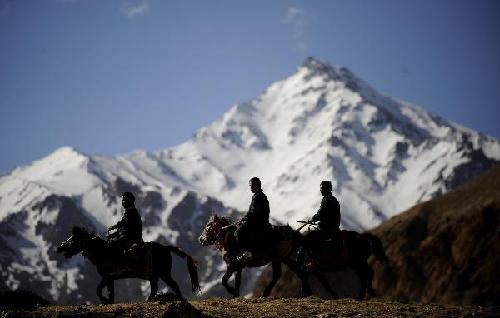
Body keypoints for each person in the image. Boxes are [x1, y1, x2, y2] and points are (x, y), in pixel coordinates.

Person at [297, 181, 341, 268]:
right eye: (321, 188)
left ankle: (314, 260)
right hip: (333, 227)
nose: (321, 190)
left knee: (309, 237)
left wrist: (313, 219)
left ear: (327, 189)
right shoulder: (332, 199)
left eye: (322, 188)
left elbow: (322, 213)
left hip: (327, 228)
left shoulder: (327, 199)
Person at [234, 177, 271, 262]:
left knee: (239, 232)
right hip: (259, 221)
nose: (250, 188)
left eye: (251, 186)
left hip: (258, 222)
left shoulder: (258, 197)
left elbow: (253, 212)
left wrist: (244, 219)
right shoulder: (259, 196)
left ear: (256, 186)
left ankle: (247, 252)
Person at [107, 192, 143, 256]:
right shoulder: (129, 212)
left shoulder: (132, 212)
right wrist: (114, 234)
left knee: (113, 246)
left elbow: (125, 226)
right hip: (129, 237)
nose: (123, 202)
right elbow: (123, 228)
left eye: (124, 200)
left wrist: (114, 227)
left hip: (132, 239)